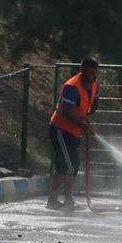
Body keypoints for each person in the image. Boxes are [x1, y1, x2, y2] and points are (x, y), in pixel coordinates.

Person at [47, 56, 101, 210]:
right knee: (67, 166)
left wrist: (87, 118)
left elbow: (95, 102)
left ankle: (67, 200)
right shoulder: (72, 87)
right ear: (82, 71)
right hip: (61, 130)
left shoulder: (95, 84)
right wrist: (83, 125)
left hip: (74, 131)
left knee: (71, 166)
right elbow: (67, 112)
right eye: (91, 73)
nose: (94, 76)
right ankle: (53, 200)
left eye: (95, 73)